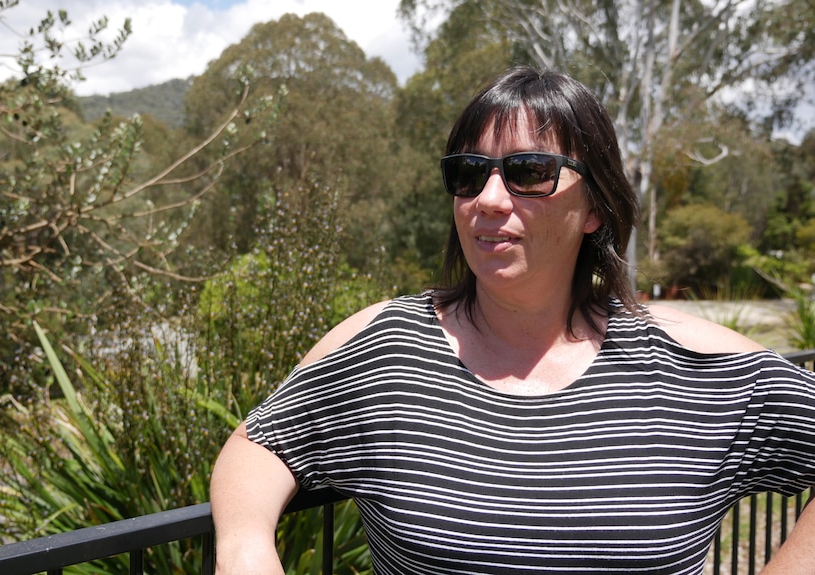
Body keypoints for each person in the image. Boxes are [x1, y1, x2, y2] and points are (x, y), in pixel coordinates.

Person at [210, 67, 815, 574]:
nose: (489, 199)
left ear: (595, 209)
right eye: (468, 174)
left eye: (529, 172)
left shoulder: (695, 366)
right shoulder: (387, 345)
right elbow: (258, 446)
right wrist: (245, 545)